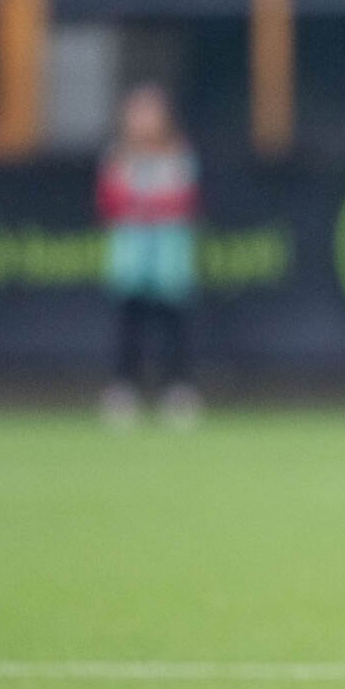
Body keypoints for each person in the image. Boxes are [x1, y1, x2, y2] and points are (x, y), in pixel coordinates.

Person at [96, 83, 201, 429]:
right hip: (131, 257)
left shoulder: (178, 154)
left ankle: (178, 390)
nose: (144, 121)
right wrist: (141, 205)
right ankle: (124, 390)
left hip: (169, 258)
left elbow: (182, 200)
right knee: (130, 324)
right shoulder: (118, 156)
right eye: (137, 114)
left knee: (173, 324)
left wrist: (146, 205)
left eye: (151, 113)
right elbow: (110, 202)